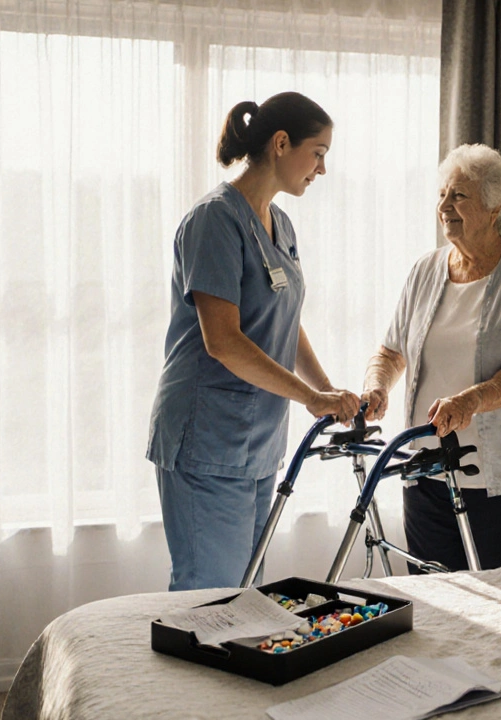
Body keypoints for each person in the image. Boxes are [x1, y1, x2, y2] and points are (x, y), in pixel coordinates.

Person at [147, 92, 359, 591]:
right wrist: (311, 398)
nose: (322, 169)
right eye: (319, 153)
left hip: (257, 439)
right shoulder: (214, 220)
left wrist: (327, 392)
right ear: (282, 144)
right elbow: (223, 341)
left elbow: (285, 319)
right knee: (210, 597)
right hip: (207, 438)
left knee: (243, 595)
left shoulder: (280, 224)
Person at [361, 143, 501, 572]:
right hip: (424, 471)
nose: (445, 206)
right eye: (442, 195)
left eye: (459, 196)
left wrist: (468, 402)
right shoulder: (424, 270)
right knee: (432, 593)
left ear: (495, 208)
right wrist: (376, 387)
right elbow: (391, 351)